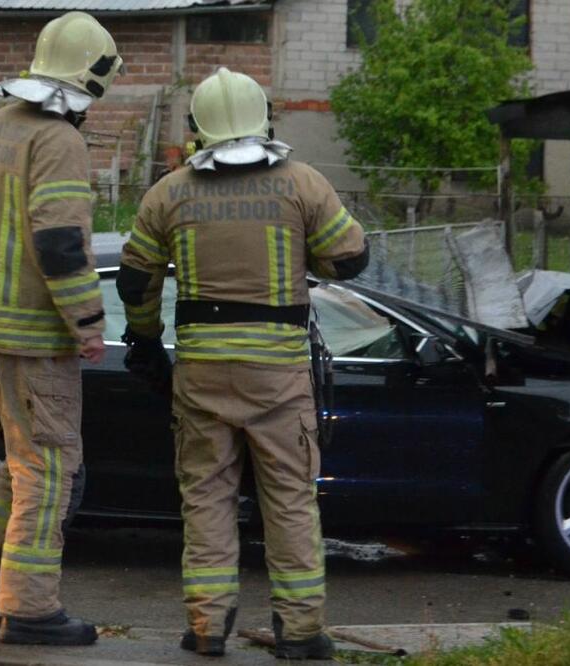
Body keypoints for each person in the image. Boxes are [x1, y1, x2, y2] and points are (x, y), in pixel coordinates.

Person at [117, 67, 368, 659]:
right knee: (288, 498)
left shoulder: (169, 192)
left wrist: (146, 343)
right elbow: (350, 260)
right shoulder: (302, 183)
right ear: (265, 120)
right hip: (278, 377)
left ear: (196, 129)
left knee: (205, 496)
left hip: (202, 373)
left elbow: (134, 280)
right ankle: (301, 632)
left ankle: (206, 628)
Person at [0, 11, 122, 646]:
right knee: (52, 470)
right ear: (88, 81)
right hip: (37, 338)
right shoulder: (59, 141)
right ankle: (30, 607)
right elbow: (62, 243)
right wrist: (88, 322)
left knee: (21, 466)